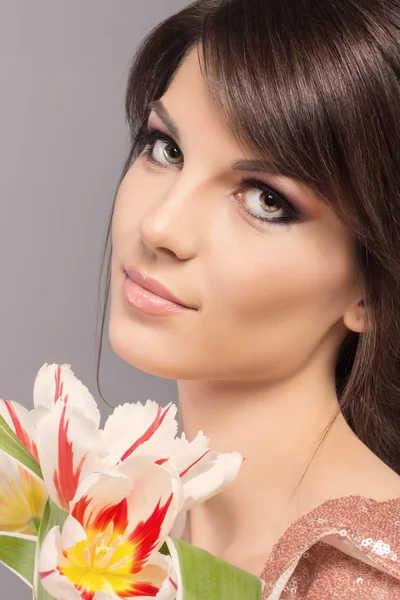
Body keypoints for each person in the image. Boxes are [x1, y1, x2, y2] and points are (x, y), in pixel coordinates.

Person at [96, 0, 400, 597]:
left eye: (265, 198)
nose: (160, 227)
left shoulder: (365, 581)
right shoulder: (118, 526)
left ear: (371, 288)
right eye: (167, 149)